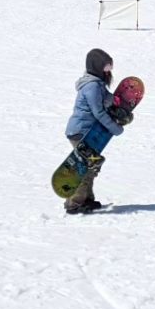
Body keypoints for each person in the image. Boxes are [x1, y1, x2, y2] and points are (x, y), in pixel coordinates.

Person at [63, 48, 125, 214]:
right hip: (80, 132)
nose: (108, 72)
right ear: (97, 67)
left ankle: (86, 199)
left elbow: (106, 98)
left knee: (91, 165)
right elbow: (98, 112)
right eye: (106, 69)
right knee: (87, 166)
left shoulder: (97, 84)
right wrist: (115, 128)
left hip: (85, 131)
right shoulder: (92, 87)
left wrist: (118, 102)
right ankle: (74, 204)